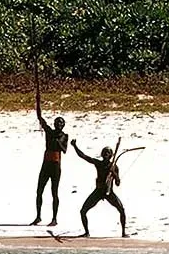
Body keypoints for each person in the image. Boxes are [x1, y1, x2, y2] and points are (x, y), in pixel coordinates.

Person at [71, 140, 127, 238]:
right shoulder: (98, 163)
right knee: (83, 211)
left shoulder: (114, 167)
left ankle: (123, 232)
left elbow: (117, 183)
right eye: (104, 152)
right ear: (102, 154)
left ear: (111, 155)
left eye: (108, 153)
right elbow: (84, 156)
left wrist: (114, 174)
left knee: (121, 210)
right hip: (98, 192)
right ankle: (86, 232)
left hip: (109, 192)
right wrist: (75, 146)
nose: (106, 154)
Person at [30, 99, 68, 227]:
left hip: (56, 166)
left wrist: (57, 141)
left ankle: (54, 218)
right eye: (57, 122)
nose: (59, 124)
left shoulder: (64, 136)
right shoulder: (49, 132)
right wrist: (38, 103)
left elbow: (64, 150)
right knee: (39, 190)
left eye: (61, 123)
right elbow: (40, 118)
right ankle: (38, 216)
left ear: (63, 125)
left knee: (54, 192)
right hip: (46, 164)